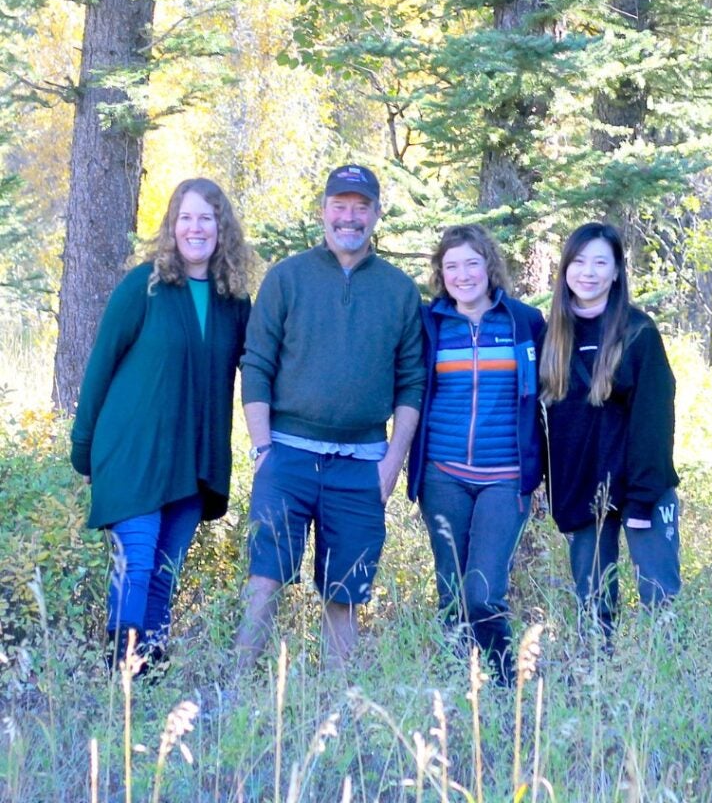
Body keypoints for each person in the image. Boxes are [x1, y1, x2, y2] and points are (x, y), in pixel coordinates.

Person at [236, 164, 425, 669]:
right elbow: (255, 365)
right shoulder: (287, 278)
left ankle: (338, 707)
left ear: (375, 215)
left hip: (362, 462)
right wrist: (262, 451)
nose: (349, 217)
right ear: (323, 211)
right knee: (266, 579)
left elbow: (412, 382)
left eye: (360, 207)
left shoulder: (399, 291)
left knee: (345, 593)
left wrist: (392, 463)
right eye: (339, 207)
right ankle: (233, 694)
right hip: (287, 455)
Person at [70, 178, 252, 674]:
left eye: (206, 219)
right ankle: (122, 674)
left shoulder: (234, 302)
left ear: (222, 228)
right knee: (138, 564)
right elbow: (100, 365)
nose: (195, 228)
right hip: (133, 454)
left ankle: (148, 677)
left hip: (192, 461)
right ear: (172, 226)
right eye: (185, 218)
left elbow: (257, 368)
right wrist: (82, 448)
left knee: (164, 575)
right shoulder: (143, 285)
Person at [407, 224, 546, 685]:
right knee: (451, 588)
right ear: (439, 273)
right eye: (451, 266)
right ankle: (455, 684)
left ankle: (507, 681)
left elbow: (555, 392)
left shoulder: (524, 322)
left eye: (472, 263)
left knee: (483, 590)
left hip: (505, 478)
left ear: (490, 266)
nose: (462, 274)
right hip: (442, 477)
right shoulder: (429, 325)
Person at [539, 222, 681, 640]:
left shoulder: (639, 333)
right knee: (593, 603)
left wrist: (641, 501)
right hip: (584, 492)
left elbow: (655, 423)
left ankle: (665, 683)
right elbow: (547, 425)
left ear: (617, 271)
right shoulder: (552, 338)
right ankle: (596, 688)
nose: (589, 272)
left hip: (643, 492)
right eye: (579, 261)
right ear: (565, 269)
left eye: (601, 261)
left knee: (660, 598)